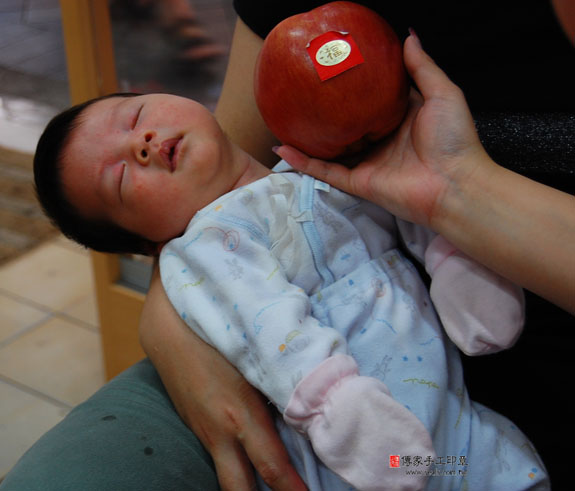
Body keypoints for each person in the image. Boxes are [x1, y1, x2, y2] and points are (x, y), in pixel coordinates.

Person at [1, 1, 572, 490]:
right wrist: (336, 404)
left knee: (490, 466)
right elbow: (271, 328)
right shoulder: (203, 251)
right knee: (416, 467)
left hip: (458, 414)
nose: (143, 144)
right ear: (147, 244)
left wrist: (454, 268)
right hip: (360, 435)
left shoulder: (307, 162)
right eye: (121, 178)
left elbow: (406, 209)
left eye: (136, 115)